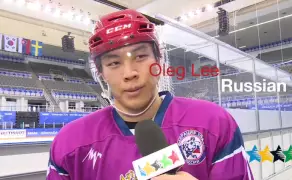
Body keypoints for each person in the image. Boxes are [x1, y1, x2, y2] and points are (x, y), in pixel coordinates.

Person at [47, 9, 254, 180]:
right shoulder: (70, 144)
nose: (130, 74)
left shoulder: (213, 123)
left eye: (140, 56)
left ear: (158, 60)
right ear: (101, 73)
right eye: (114, 63)